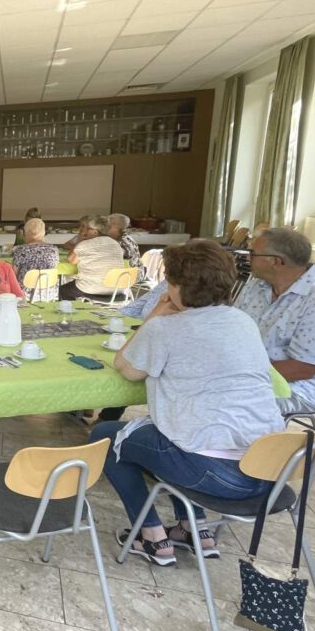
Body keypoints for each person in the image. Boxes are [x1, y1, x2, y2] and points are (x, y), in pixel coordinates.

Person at [90, 240, 286, 565]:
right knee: (172, 432)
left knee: (107, 437)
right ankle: (194, 528)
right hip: (269, 469)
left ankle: (152, 536)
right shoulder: (242, 321)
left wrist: (154, 316)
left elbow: (125, 366)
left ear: (178, 285)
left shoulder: (166, 328)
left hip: (217, 474)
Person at [235, 227, 315, 416]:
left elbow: (303, 368)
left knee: (220, 400)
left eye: (253, 253)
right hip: (250, 374)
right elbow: (234, 331)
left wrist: (237, 378)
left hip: (299, 388)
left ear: (276, 261)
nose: (248, 258)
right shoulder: (256, 287)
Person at [96, 280, 170, 423]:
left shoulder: (179, 316)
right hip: (142, 334)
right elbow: (134, 308)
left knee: (127, 368)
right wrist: (105, 317)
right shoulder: (165, 285)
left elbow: (126, 368)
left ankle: (107, 417)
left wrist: (154, 315)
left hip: (179, 431)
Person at [59, 216, 124, 300]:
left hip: (91, 288)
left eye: (88, 228)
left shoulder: (85, 244)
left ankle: (70, 311)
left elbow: (71, 260)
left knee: (63, 290)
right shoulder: (115, 243)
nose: (85, 231)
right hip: (116, 289)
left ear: (95, 232)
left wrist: (79, 239)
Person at [11, 218, 59, 302]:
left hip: (25, 294)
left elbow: (13, 275)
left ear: (26, 233)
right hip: (48, 292)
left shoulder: (21, 250)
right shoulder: (54, 250)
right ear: (43, 233)